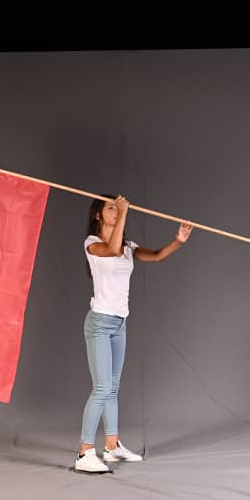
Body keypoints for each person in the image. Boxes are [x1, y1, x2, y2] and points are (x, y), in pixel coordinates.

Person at [74, 194, 193, 473]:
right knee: (101, 388)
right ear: (98, 216)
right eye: (111, 208)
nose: (117, 211)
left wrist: (178, 240)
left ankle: (112, 447)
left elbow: (156, 256)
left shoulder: (127, 247)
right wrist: (126, 212)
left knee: (113, 388)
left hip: (119, 324)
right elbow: (112, 250)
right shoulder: (92, 244)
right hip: (99, 323)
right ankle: (84, 452)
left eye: (119, 208)